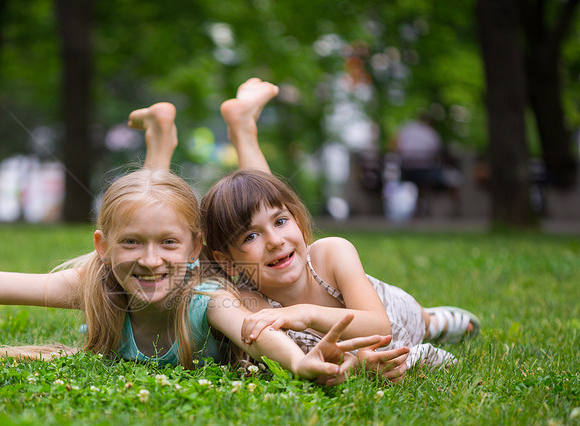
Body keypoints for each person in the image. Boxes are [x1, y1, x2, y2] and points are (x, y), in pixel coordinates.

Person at [0, 103, 387, 386]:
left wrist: (302, 363)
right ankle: (160, 141)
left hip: (364, 304)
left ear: (198, 249)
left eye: (170, 246)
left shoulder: (208, 296)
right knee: (150, 208)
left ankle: (439, 317)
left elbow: (266, 336)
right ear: (101, 246)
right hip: (156, 248)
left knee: (428, 327)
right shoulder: (97, 284)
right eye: (128, 245)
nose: (150, 262)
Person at [200, 79, 480, 381]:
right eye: (250, 236)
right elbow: (299, 361)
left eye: (282, 222)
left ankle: (434, 321)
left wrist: (304, 314)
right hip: (364, 354)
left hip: (400, 315)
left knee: (421, 320)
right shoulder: (249, 299)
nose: (275, 241)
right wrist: (353, 366)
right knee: (258, 201)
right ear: (227, 261)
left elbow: (379, 327)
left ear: (298, 222)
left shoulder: (332, 252)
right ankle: (243, 128)